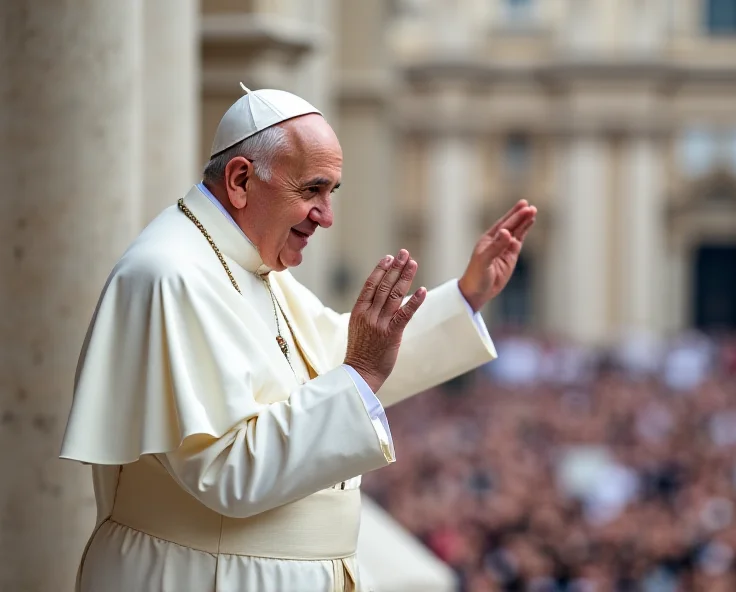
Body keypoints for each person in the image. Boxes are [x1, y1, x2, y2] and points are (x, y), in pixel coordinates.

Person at [59, 84, 537, 592]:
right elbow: (227, 472)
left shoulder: (252, 263)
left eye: (332, 192)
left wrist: (464, 296)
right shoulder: (171, 275)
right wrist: (361, 372)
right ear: (242, 180)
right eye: (312, 190)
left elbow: (336, 356)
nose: (326, 216)